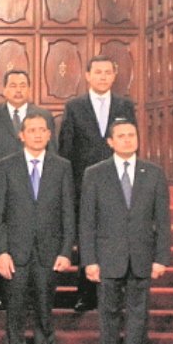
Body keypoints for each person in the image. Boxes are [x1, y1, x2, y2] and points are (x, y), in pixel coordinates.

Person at [79, 119, 171, 344]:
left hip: (142, 257)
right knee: (107, 315)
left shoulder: (153, 173)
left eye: (132, 135)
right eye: (121, 136)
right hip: (108, 257)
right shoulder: (95, 173)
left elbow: (162, 220)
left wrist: (161, 257)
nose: (128, 140)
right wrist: (89, 260)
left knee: (138, 316)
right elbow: (87, 221)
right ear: (110, 141)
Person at [0, 113, 75, 344]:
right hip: (14, 254)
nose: (38, 134)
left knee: (44, 312)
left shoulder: (62, 167)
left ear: (49, 135)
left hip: (48, 254)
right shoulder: (5, 167)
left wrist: (65, 251)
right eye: (32, 130)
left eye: (42, 130)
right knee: (14, 312)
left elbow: (67, 214)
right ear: (21, 135)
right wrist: (1, 252)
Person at [58, 55, 136, 312]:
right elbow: (66, 150)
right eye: (98, 72)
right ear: (87, 76)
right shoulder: (74, 107)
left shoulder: (125, 105)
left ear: (114, 76)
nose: (103, 76)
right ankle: (85, 293)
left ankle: (116, 293)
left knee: (116, 237)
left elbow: (131, 143)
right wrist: (68, 187)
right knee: (87, 239)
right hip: (84, 185)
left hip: (119, 183)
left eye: (107, 72)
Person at [0, 69, 55, 310]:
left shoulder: (43, 116)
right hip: (0, 189)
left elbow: (54, 155)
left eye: (23, 84)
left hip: (35, 189)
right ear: (4, 89)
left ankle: (33, 294)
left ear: (29, 88)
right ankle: (0, 291)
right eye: (13, 85)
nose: (18, 89)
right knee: (2, 239)